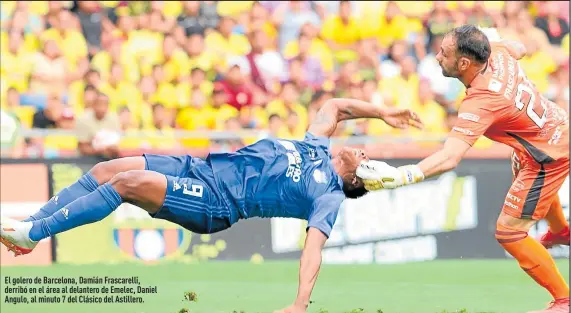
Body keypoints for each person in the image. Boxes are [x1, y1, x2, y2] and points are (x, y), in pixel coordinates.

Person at [0, 98, 422, 313]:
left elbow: (314, 250)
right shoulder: (318, 144)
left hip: (216, 203)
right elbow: (336, 107)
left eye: (366, 160)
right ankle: (30, 228)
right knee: (109, 169)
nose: (362, 151)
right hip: (200, 168)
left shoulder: (328, 195)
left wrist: (299, 304)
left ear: (354, 178)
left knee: (128, 184)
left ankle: (33, 233)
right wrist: (384, 112)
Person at [357, 25, 570, 313]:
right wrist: (495, 39)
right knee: (521, 166)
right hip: (551, 130)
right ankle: (561, 232)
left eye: (444, 53)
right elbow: (520, 48)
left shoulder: (481, 101)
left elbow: (450, 157)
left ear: (464, 63)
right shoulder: (497, 54)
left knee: (509, 232)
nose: (436, 57)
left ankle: (564, 300)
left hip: (549, 154)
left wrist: (401, 175)